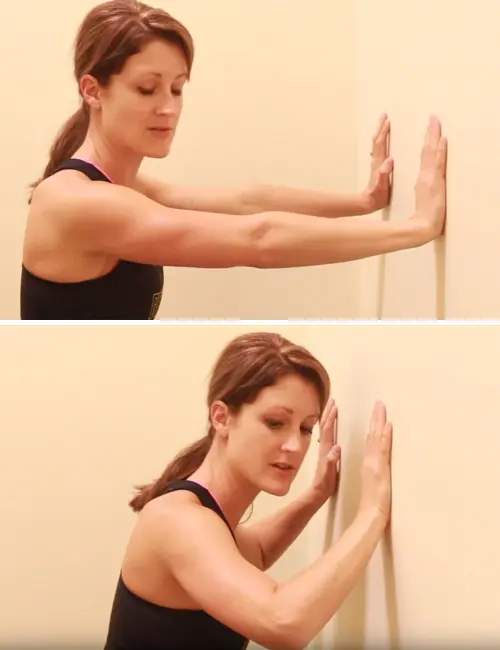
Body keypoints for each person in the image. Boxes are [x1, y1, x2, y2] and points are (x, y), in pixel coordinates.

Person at [21, 0, 447, 320]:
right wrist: (417, 228)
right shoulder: (76, 202)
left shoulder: (122, 186)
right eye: (148, 89)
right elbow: (256, 240)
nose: (168, 107)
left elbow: (246, 202)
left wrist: (364, 202)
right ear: (93, 90)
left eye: (178, 88)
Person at [103, 331, 393, 650]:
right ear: (222, 417)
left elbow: (256, 549)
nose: (296, 445)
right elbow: (283, 623)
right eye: (275, 422)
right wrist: (372, 513)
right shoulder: (176, 520)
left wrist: (316, 495)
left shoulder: (208, 518)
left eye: (306, 428)